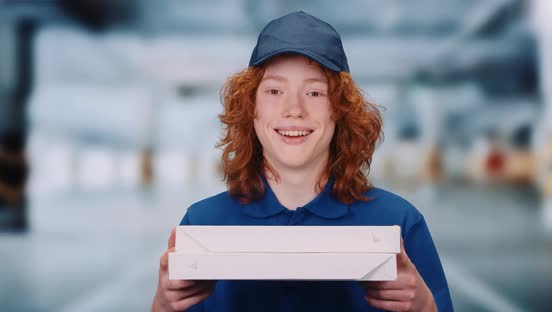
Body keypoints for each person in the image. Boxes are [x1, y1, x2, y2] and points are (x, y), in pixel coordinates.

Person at [152, 11, 453, 312]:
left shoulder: (398, 222)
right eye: (274, 90)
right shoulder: (205, 223)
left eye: (314, 92)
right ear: (250, 106)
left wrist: (426, 307)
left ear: (339, 108)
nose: (294, 109)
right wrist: (163, 307)